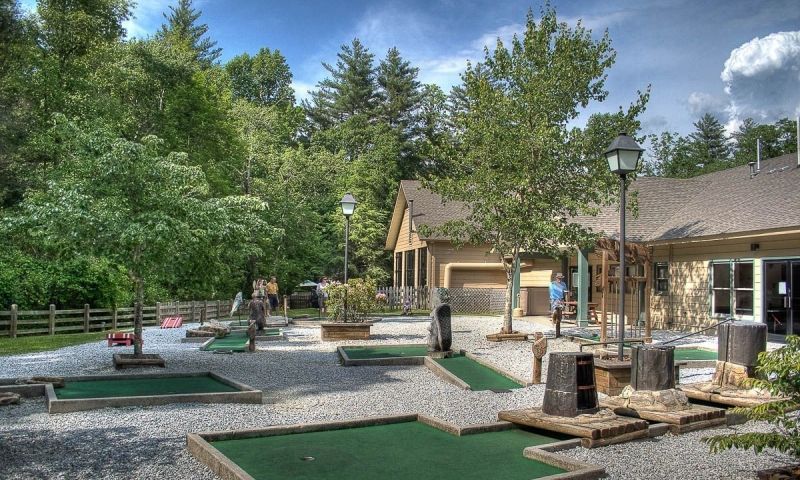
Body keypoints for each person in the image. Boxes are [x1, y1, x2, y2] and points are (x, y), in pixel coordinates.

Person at [549, 272, 567, 338]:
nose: (559, 279)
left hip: (561, 299)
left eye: (561, 278)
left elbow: (565, 291)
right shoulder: (552, 284)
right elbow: (551, 291)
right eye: (558, 278)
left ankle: (558, 330)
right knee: (555, 311)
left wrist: (565, 299)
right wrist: (552, 299)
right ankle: (553, 319)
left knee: (560, 314)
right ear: (556, 278)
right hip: (554, 299)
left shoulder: (563, 284)